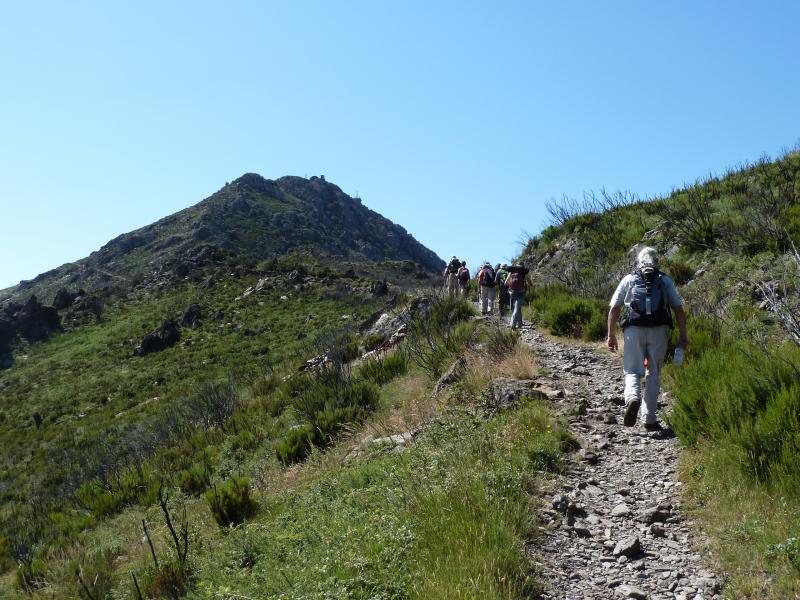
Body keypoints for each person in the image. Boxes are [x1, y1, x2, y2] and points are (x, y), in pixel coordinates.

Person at [607, 247, 688, 430]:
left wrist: (611, 335)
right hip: (659, 330)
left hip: (633, 330)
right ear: (656, 261)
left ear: (638, 262)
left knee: (632, 370)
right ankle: (649, 419)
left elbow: (614, 309)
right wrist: (683, 336)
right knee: (653, 373)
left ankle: (632, 398)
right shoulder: (664, 280)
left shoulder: (629, 279)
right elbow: (678, 309)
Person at [506, 263, 529, 328]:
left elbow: (506, 282)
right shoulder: (523, 272)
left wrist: (510, 286)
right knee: (517, 307)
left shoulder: (511, 271)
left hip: (512, 291)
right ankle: (513, 324)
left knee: (516, 307)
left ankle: (520, 323)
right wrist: (531, 285)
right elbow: (529, 281)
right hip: (521, 291)